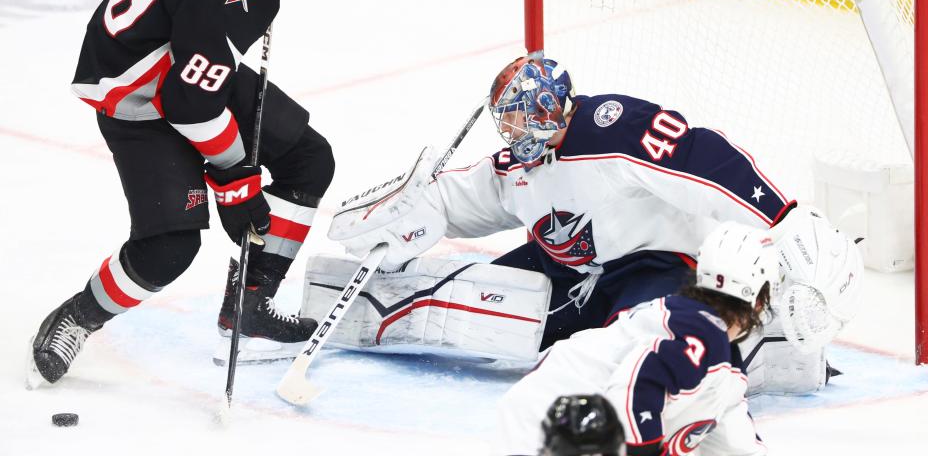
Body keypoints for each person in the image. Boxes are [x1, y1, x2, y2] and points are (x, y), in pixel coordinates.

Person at [324, 54, 861, 395]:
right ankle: (365, 308)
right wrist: (414, 217)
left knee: (636, 358)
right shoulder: (518, 165)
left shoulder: (613, 128)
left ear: (547, 107)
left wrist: (782, 217)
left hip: (656, 263)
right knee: (485, 303)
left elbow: (702, 155)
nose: (509, 130)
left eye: (517, 115)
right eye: (504, 120)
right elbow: (463, 196)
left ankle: (761, 347)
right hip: (565, 266)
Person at [27, 0, 335, 387]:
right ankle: (77, 315)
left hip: (188, 54)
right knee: (170, 247)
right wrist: (236, 180)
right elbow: (189, 107)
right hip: (133, 93)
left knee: (311, 160)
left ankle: (249, 308)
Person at [497, 222, 778, 456]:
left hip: (553, 416)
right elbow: (636, 388)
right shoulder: (700, 332)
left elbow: (736, 443)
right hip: (549, 422)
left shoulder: (721, 359)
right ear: (759, 295)